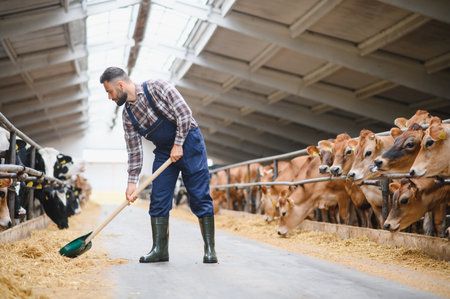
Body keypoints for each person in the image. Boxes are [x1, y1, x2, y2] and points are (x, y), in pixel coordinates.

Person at [100, 67, 217, 264]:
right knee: (159, 197)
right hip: (164, 150)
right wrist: (132, 182)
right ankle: (160, 249)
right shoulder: (127, 115)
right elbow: (134, 150)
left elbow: (184, 113)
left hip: (189, 140)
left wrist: (179, 143)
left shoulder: (156, 87)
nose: (110, 97)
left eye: (109, 91)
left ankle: (210, 249)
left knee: (198, 194)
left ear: (120, 85)